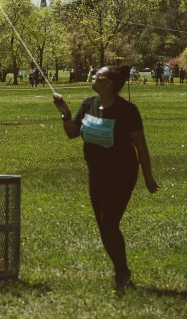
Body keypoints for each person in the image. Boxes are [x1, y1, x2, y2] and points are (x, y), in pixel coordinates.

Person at [53, 65, 159, 291]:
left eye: (97, 75)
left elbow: (141, 146)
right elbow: (73, 133)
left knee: (109, 222)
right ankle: (121, 271)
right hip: (96, 173)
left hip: (122, 174)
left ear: (108, 83)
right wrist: (65, 115)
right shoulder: (88, 104)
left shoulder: (128, 111)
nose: (93, 77)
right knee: (103, 225)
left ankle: (123, 274)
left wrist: (148, 177)